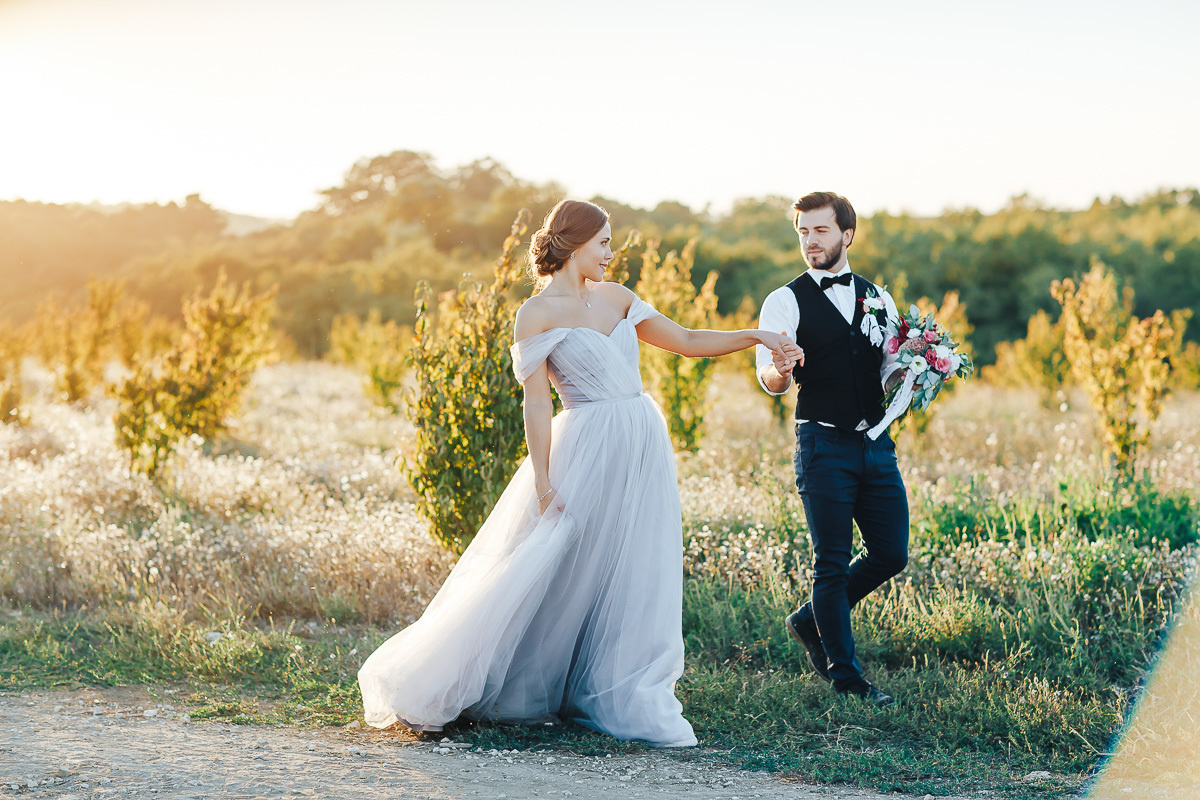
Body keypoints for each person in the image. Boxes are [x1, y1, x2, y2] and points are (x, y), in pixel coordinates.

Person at [359, 199, 801, 746]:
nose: (612, 255)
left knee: (635, 560)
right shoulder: (535, 314)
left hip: (641, 439)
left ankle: (622, 685)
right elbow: (537, 405)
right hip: (586, 444)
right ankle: (482, 676)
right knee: (553, 562)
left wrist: (755, 336)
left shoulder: (618, 298)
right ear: (573, 243)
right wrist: (543, 480)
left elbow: (686, 342)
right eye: (605, 244)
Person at [755, 191, 908, 707]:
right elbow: (770, 381)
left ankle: (809, 618)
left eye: (819, 231)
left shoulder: (877, 297)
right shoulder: (784, 300)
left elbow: (885, 368)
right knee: (833, 561)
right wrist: (782, 365)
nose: (809, 242)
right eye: (802, 232)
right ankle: (847, 677)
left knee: (891, 553)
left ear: (846, 234)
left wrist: (917, 367)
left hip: (875, 441)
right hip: (820, 442)